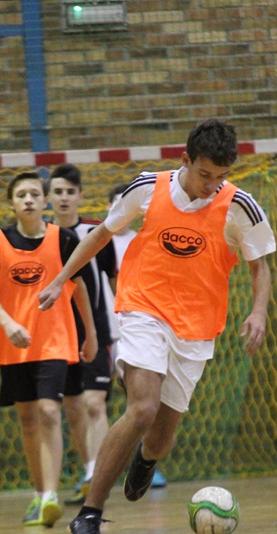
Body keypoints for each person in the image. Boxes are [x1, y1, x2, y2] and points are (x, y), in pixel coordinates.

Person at [38, 119, 275, 534]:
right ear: (185, 160)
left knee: (161, 437)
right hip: (143, 308)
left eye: (221, 177)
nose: (212, 186)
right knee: (142, 408)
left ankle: (146, 460)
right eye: (205, 175)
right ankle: (90, 513)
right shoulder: (147, 188)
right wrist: (60, 279)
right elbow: (100, 234)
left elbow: (260, 266)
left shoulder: (240, 205)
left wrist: (258, 311)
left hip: (197, 328)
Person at [0, 170, 97, 528]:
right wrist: (9, 323)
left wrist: (89, 333)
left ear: (44, 201)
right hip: (13, 343)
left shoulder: (63, 239)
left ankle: (50, 495)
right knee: (27, 419)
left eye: (33, 194)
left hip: (55, 339)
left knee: (48, 411)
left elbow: (81, 288)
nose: (28, 200)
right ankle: (39, 493)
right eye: (20, 195)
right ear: (11, 203)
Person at [48, 163, 117, 506]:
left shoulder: (96, 233)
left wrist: (124, 323)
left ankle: (97, 476)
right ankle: (89, 469)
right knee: (72, 408)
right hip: (58, 332)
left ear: (80, 196)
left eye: (70, 192)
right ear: (50, 197)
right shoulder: (44, 236)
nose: (64, 197)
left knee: (94, 403)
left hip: (97, 329)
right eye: (58, 191)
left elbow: (114, 280)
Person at [105, 182, 168, 490]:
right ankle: (97, 469)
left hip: (139, 331)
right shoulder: (99, 242)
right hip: (105, 332)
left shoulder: (143, 241)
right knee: (97, 404)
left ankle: (145, 462)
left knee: (142, 404)